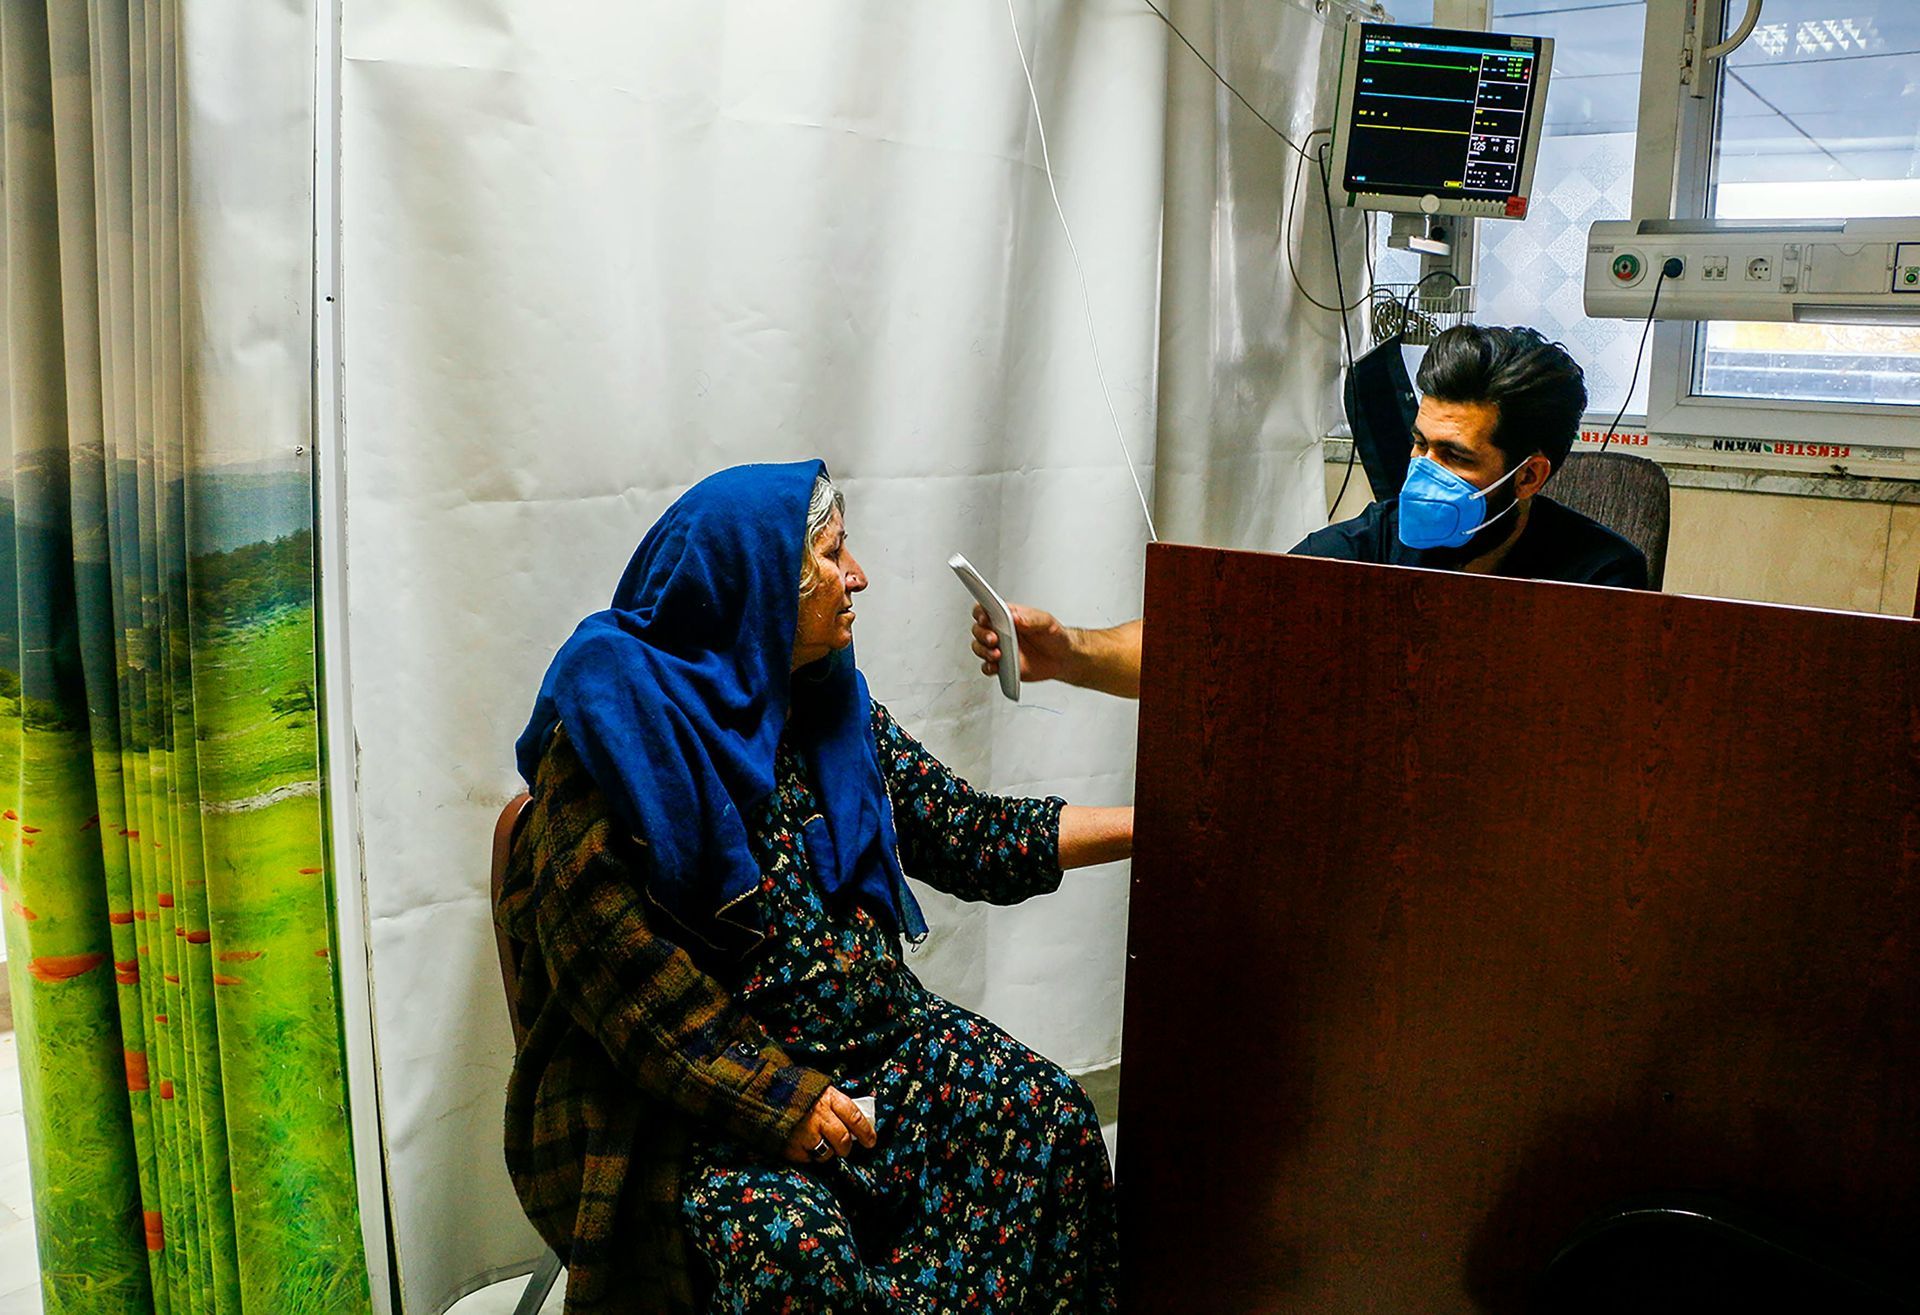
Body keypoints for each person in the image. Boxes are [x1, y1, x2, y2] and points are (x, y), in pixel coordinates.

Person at [499, 460, 1129, 1314]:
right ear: (761, 591)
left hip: (873, 1052)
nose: (859, 575)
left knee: (1046, 1118)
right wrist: (781, 1098)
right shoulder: (613, 740)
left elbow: (967, 831)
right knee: (797, 1250)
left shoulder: (827, 704)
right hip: (696, 1105)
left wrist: (1153, 823)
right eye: (836, 556)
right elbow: (627, 985)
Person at [970, 325, 1649, 699]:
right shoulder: (1373, 545)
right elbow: (1222, 641)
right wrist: (1073, 653)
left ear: (1529, 475)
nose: (1423, 472)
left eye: (1455, 456)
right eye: (1419, 444)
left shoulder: (1601, 576)